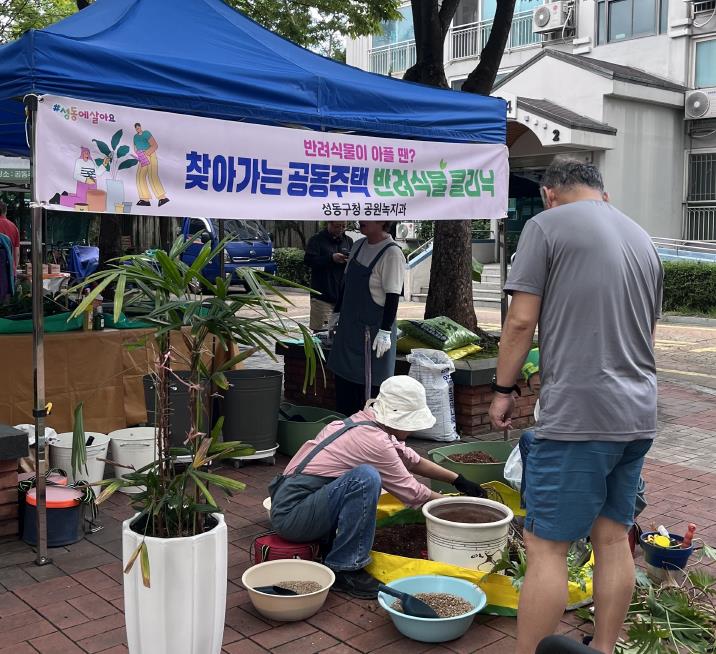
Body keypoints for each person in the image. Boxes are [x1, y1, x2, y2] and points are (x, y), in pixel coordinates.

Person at [488, 158, 663, 654]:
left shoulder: (545, 227)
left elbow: (521, 322)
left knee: (547, 547)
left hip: (578, 417)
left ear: (549, 194)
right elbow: (648, 333)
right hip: (637, 413)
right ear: (602, 193)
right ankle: (603, 648)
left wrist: (503, 389)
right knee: (612, 538)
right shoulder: (642, 239)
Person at [269, 375, 486, 599]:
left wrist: (457, 479)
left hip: (295, 503)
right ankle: (345, 568)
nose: (412, 431)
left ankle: (330, 545)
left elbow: (410, 460)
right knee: (365, 478)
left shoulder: (365, 423)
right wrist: (461, 507)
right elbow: (413, 492)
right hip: (292, 517)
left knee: (362, 477)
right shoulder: (374, 440)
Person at [327, 220, 405, 416]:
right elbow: (346, 284)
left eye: (368, 215)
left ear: (383, 220)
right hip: (348, 331)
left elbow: (393, 296)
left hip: (373, 336)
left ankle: (365, 433)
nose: (361, 219)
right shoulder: (358, 245)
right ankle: (344, 430)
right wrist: (336, 313)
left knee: (368, 397)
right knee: (344, 390)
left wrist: (385, 331)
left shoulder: (392, 253)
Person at [303, 221, 353, 330]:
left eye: (344, 226)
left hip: (342, 298)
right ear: (329, 223)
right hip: (322, 296)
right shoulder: (316, 240)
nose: (340, 229)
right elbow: (308, 261)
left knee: (342, 332)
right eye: (337, 226)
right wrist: (331, 258)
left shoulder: (348, 241)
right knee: (322, 332)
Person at [133, 123, 169, 207]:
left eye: (138, 127)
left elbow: (155, 145)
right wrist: (138, 154)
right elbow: (135, 147)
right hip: (142, 156)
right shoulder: (135, 137)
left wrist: (147, 153)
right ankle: (145, 199)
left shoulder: (146, 133)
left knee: (152, 175)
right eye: (136, 128)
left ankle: (162, 197)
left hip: (150, 154)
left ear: (140, 127)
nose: (138, 129)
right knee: (139, 176)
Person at [0, 200, 20, 272]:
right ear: (5, 211)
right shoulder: (14, 227)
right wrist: (14, 269)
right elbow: (17, 253)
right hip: (9, 270)